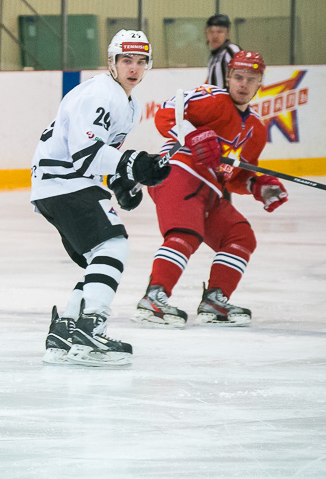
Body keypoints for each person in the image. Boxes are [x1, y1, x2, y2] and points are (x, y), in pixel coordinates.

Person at [31, 30, 171, 368]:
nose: (133, 68)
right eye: (126, 60)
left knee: (99, 257)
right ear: (112, 62)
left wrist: (122, 179)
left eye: (140, 62)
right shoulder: (100, 93)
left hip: (61, 184)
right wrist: (131, 164)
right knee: (113, 245)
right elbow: (84, 154)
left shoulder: (129, 104)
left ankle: (66, 329)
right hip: (65, 181)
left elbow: (100, 158)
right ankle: (92, 327)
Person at [132, 51, 285, 329]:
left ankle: (215, 299)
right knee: (186, 233)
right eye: (238, 77)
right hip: (178, 171)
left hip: (211, 190)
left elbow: (236, 176)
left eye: (251, 79)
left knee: (240, 236)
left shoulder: (256, 130)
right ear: (228, 78)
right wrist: (191, 133)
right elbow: (165, 115)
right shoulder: (211, 99)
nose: (243, 84)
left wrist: (258, 185)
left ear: (260, 82)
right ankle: (154, 297)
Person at [205, 14, 241, 89]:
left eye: (219, 32)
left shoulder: (231, 50)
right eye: (211, 32)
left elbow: (241, 78)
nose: (215, 36)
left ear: (227, 34)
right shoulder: (214, 56)